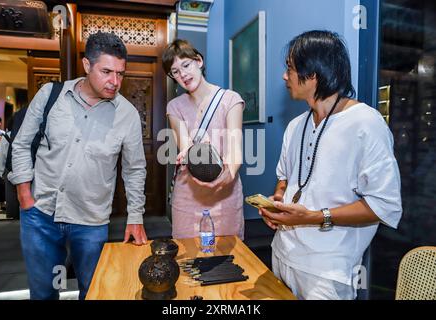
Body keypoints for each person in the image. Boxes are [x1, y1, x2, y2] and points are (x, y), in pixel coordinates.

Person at [260, 30, 402, 300]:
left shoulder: (366, 123)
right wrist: (277, 202)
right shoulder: (295, 126)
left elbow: (384, 205)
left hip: (326, 271)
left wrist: (313, 217)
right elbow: (286, 178)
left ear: (312, 74)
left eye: (290, 68)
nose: (284, 76)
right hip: (281, 254)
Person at [8, 31, 147, 300]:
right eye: (107, 71)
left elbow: (134, 169)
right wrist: (25, 195)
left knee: (95, 291)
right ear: (86, 65)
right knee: (44, 292)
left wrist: (136, 217)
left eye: (120, 74)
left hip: (91, 221)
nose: (114, 81)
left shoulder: (127, 114)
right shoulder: (51, 95)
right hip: (41, 215)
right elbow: (22, 143)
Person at [162, 39, 245, 239]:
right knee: (187, 260)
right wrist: (193, 153)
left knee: (228, 260)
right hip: (188, 194)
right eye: (175, 72)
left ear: (198, 61)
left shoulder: (230, 99)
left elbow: (234, 148)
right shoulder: (174, 106)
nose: (182, 74)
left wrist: (228, 174)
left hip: (225, 194)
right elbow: (186, 146)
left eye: (186, 65)